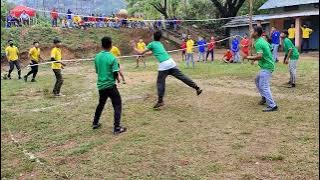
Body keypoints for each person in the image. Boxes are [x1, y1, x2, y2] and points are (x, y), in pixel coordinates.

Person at [136, 31, 202, 109]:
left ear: (153, 37)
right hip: (171, 62)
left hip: (164, 65)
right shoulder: (159, 44)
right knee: (182, 77)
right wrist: (145, 54)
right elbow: (151, 53)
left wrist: (134, 46)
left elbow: (140, 52)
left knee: (160, 83)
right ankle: (197, 88)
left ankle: (160, 101)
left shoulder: (152, 44)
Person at [92, 36, 127, 134]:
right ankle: (117, 128)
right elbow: (115, 72)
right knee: (117, 104)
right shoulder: (112, 58)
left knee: (101, 104)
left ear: (102, 45)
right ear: (111, 45)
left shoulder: (97, 57)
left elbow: (97, 71)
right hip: (110, 86)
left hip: (101, 86)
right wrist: (118, 79)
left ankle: (95, 123)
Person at [242, 26, 278, 112]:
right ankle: (264, 97)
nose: (250, 33)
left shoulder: (259, 43)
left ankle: (273, 105)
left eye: (252, 31)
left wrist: (248, 57)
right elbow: (271, 48)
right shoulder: (261, 40)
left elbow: (260, 56)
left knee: (264, 86)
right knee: (257, 80)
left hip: (267, 67)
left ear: (256, 33)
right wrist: (265, 56)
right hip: (267, 65)